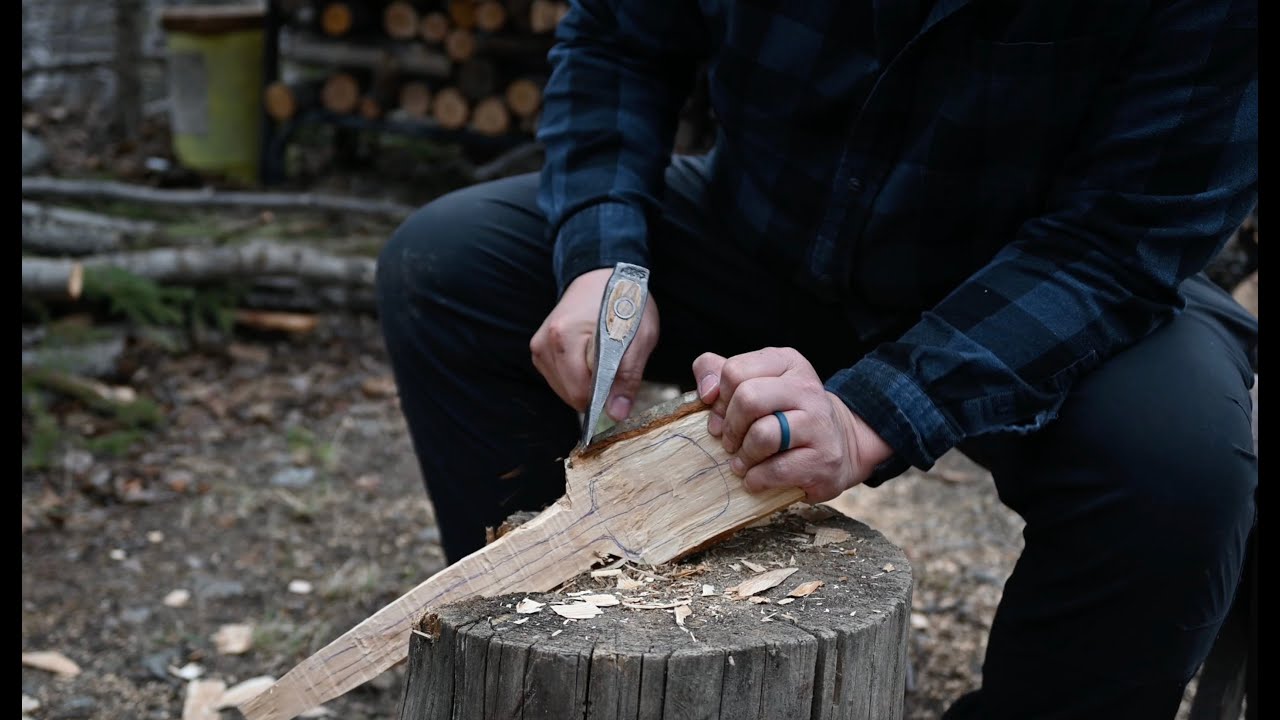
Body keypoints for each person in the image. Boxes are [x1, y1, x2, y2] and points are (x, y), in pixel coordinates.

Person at [376, 1, 1258, 716]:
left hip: (1030, 279)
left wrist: (872, 411)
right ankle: (548, 653)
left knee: (1175, 470)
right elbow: (618, 37)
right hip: (765, 229)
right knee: (450, 267)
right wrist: (606, 261)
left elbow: (1120, 238)